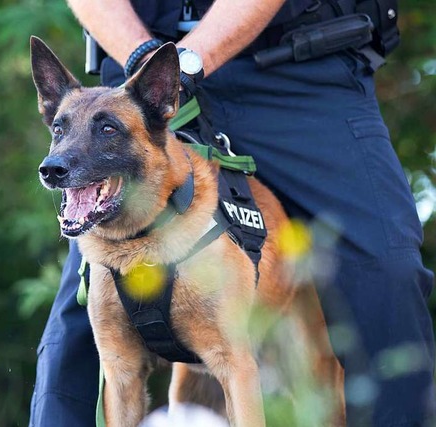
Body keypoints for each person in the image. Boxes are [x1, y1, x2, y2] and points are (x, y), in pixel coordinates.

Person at [29, 0, 436, 425]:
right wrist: (145, 62)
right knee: (76, 325)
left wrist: (187, 61)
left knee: (388, 272)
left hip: (303, 77)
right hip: (138, 77)